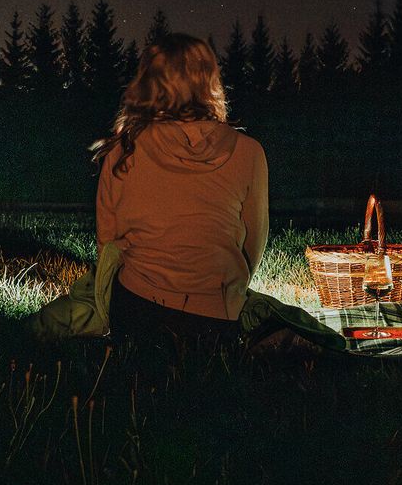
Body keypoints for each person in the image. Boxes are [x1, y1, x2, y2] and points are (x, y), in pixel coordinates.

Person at [90, 32, 268, 345]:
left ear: (146, 83)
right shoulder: (248, 152)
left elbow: (108, 244)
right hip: (216, 317)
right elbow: (254, 243)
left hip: (137, 312)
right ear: (210, 81)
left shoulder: (122, 151)